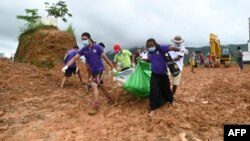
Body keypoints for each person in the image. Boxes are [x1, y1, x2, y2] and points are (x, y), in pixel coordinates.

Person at [62, 32, 116, 115]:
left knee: (94, 85)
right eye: (82, 40)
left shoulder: (97, 47)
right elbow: (75, 58)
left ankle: (96, 106)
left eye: (85, 39)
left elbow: (106, 58)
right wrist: (67, 66)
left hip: (100, 70)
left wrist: (113, 68)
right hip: (93, 71)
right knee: (101, 86)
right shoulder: (83, 49)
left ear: (90, 39)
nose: (84, 41)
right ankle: (111, 99)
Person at [145, 38, 188, 116]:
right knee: (153, 90)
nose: (150, 47)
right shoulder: (149, 53)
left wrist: (180, 50)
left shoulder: (161, 48)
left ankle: (171, 101)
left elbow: (171, 48)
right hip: (154, 75)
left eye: (151, 45)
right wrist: (143, 59)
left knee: (167, 89)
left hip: (163, 74)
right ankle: (153, 108)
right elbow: (150, 60)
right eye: (148, 46)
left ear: (155, 44)